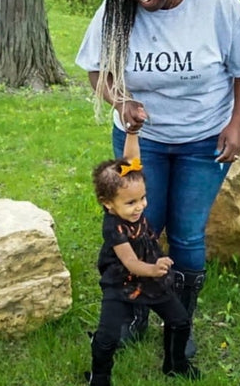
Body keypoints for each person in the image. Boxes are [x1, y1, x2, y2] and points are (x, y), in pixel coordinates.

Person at [76, 0, 240, 355]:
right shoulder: (119, 6)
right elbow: (96, 69)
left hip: (204, 140)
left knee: (185, 235)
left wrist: (236, 124)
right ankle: (136, 312)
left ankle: (179, 327)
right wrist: (121, 100)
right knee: (139, 226)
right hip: (139, 141)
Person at [86, 129, 201, 386]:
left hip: (150, 279)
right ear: (108, 204)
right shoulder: (114, 227)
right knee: (107, 336)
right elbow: (131, 263)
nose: (140, 206)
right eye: (131, 203)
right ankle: (100, 378)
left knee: (180, 321)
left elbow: (131, 160)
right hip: (122, 282)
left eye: (143, 198)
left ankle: (176, 364)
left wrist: (132, 131)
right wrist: (156, 267)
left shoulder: (131, 199)